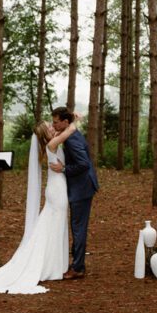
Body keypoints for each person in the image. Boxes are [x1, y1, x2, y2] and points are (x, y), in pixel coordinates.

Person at [0, 120, 77, 294]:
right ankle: (51, 265)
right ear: (45, 134)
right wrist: (74, 119)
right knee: (52, 225)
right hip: (57, 191)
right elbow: (72, 129)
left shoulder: (52, 142)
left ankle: (55, 264)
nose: (53, 127)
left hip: (58, 189)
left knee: (54, 226)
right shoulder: (52, 143)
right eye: (50, 126)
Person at [49, 107, 99, 280]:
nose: (53, 124)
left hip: (81, 188)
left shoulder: (71, 140)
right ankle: (77, 264)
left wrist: (64, 169)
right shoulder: (69, 133)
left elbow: (84, 163)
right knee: (77, 227)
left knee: (78, 228)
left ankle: (78, 267)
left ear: (65, 122)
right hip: (81, 186)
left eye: (56, 122)